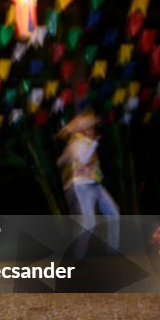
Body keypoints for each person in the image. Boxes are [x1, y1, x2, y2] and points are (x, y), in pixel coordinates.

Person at [56, 111, 120, 260]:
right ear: (83, 130)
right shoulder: (77, 142)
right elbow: (83, 159)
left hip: (95, 185)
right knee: (89, 222)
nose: (92, 130)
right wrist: (94, 142)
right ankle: (78, 256)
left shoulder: (86, 142)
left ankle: (113, 251)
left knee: (113, 212)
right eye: (89, 128)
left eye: (92, 127)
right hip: (81, 187)